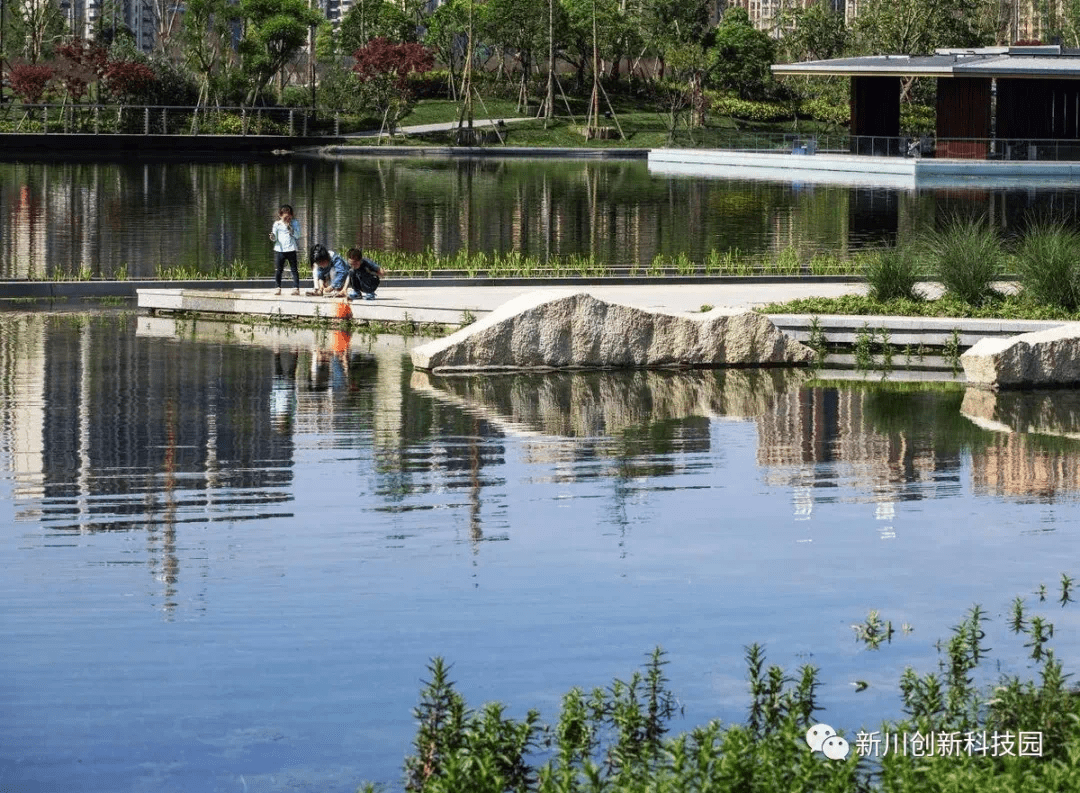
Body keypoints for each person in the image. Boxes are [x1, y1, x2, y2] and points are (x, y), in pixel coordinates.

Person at [269, 204, 301, 295]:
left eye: (289, 215)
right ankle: (277, 287)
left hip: (291, 248)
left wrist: (291, 229)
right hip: (280, 250)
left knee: (294, 269)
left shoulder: (295, 223)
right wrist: (272, 237)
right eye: (285, 216)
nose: (288, 217)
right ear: (281, 215)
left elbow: (298, 235)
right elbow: (274, 237)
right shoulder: (277, 224)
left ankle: (296, 288)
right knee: (279, 270)